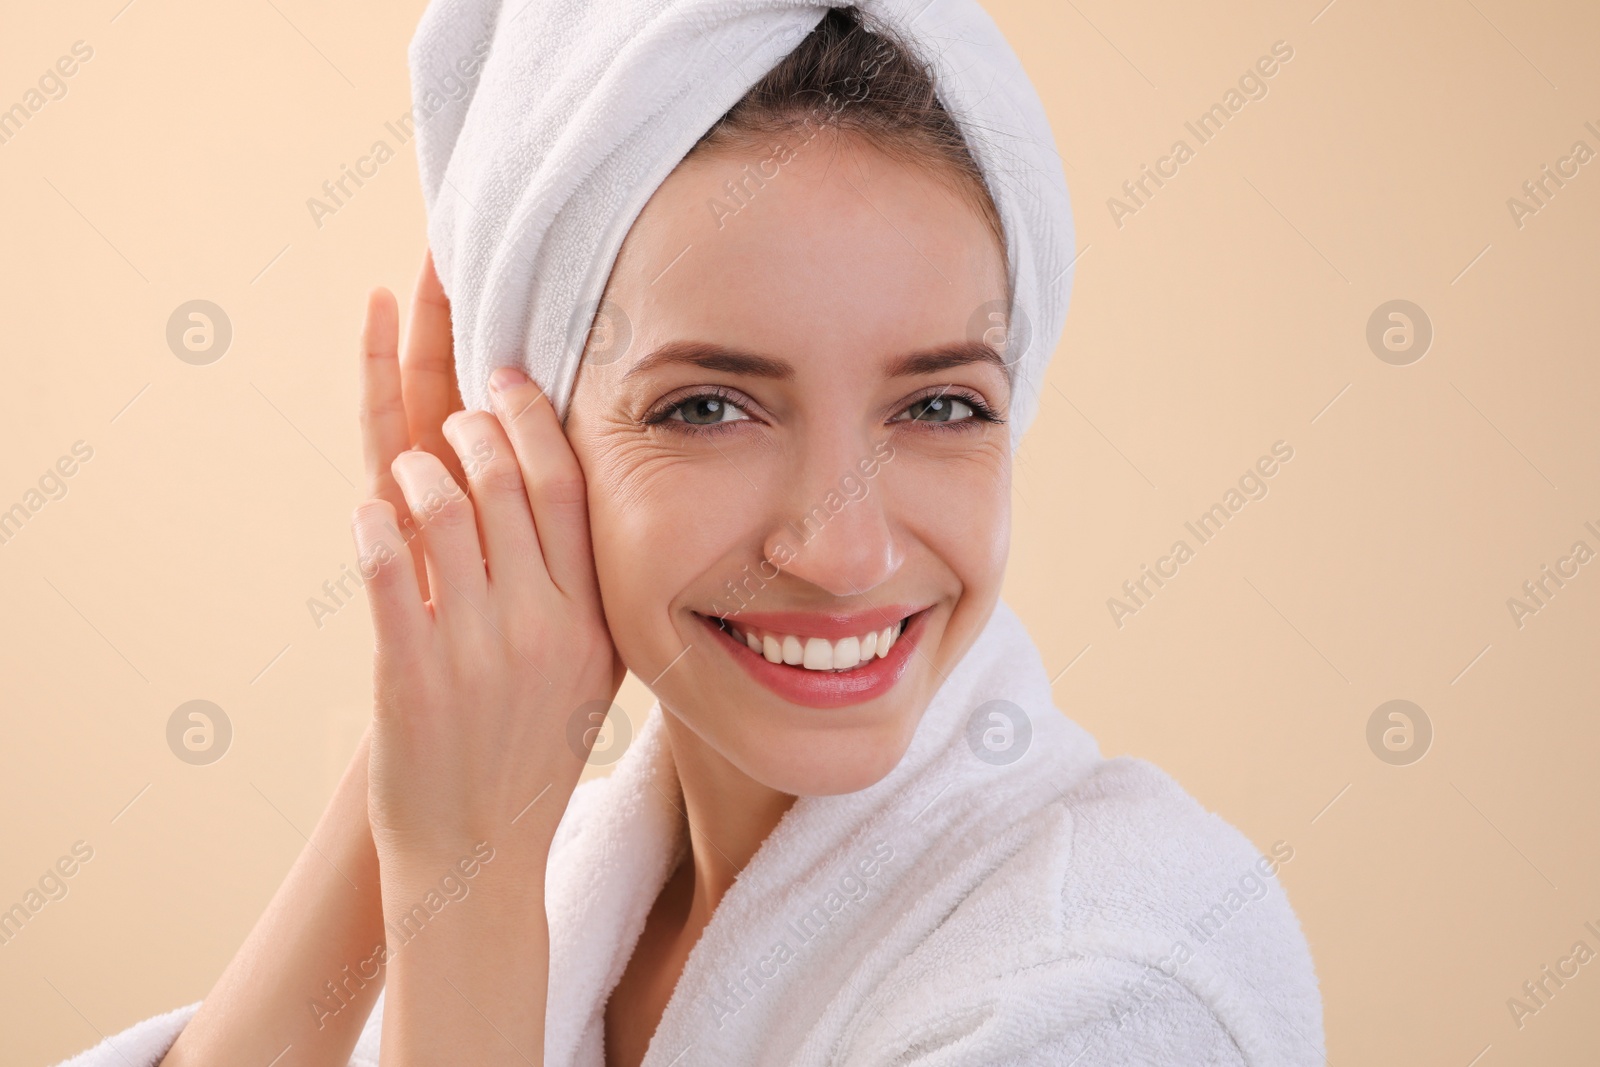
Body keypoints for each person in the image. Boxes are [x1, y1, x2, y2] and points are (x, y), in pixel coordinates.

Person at [57, 6, 1322, 1066]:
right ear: (537, 452)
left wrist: (468, 881)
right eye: (709, 407)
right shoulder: (572, 885)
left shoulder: (1124, 982)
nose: (845, 549)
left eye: (941, 403)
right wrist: (434, 739)